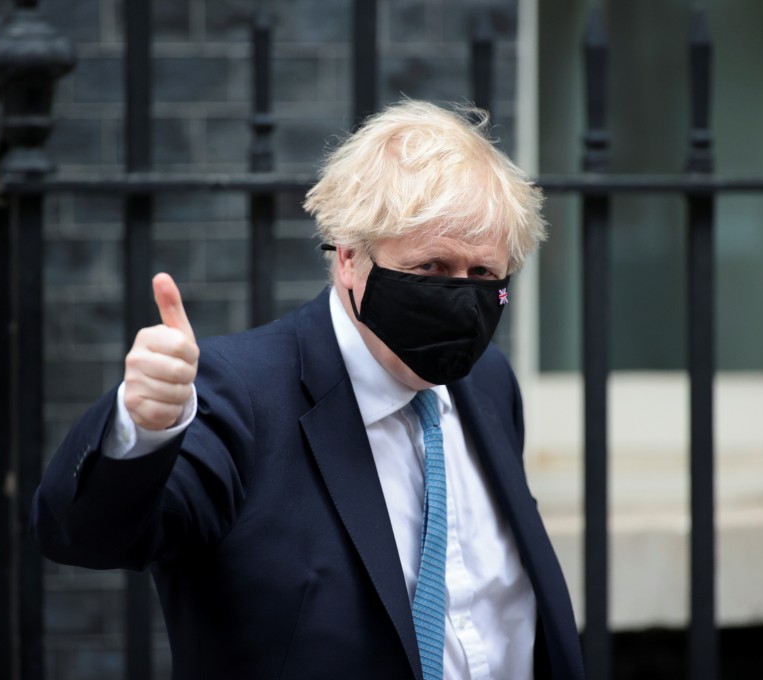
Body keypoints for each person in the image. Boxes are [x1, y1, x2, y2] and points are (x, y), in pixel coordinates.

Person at [31, 100, 584, 680]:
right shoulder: (238, 395)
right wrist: (144, 426)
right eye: (431, 268)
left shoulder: (488, 382)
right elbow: (85, 537)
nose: (462, 299)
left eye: (483, 275)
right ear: (349, 259)